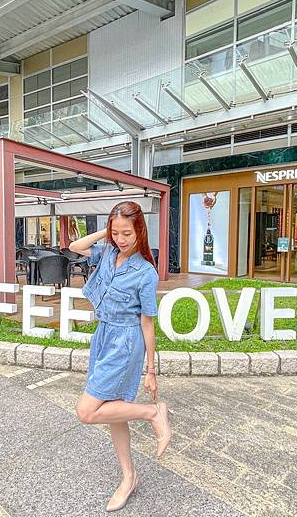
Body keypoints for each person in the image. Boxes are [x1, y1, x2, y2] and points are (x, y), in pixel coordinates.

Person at [69, 201, 172, 512]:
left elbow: (147, 323)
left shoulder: (145, 272)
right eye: (116, 233)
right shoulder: (108, 253)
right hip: (103, 336)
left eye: (127, 233)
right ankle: (129, 478)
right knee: (115, 411)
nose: (121, 239)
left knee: (87, 411)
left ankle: (153, 413)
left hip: (126, 343)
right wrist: (108, 231)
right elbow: (75, 246)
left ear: (140, 230)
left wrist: (151, 370)